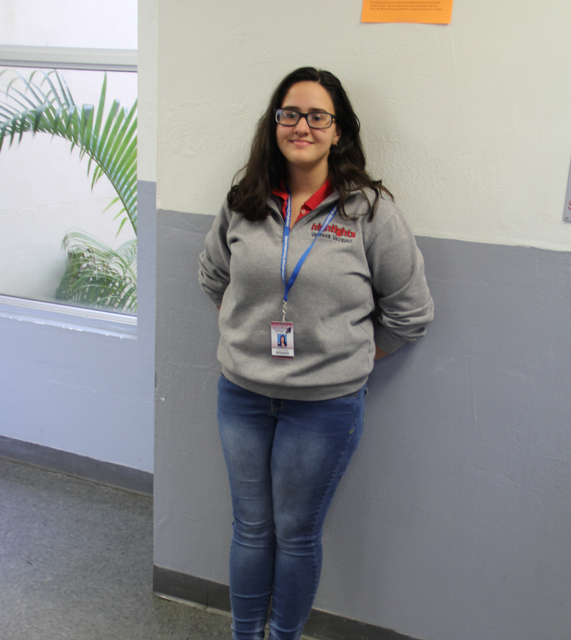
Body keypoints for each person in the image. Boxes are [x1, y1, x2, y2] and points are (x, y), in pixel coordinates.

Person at [198, 67, 434, 640]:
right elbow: (213, 278)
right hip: (244, 397)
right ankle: (245, 634)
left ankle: (284, 637)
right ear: (273, 124)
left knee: (296, 533)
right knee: (250, 529)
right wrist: (249, 337)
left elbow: (411, 313)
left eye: (317, 116)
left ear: (339, 132)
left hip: (323, 408)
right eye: (289, 113)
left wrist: (342, 357)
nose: (301, 125)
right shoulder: (243, 201)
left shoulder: (370, 212)